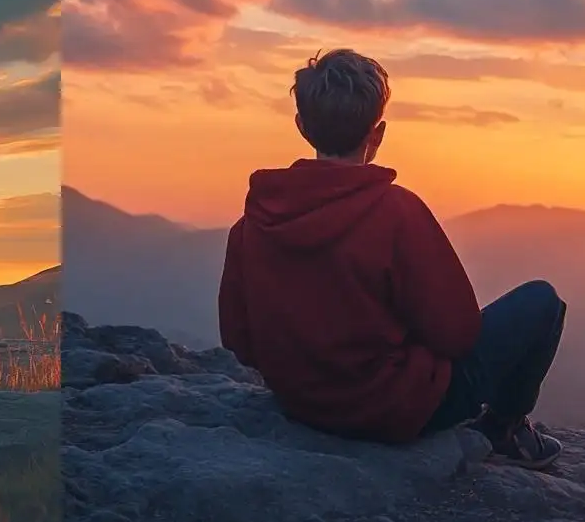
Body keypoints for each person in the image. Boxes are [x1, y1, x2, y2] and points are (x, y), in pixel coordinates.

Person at [218, 48, 565, 466]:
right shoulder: (395, 212)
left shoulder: (253, 225)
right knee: (542, 302)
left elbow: (239, 340)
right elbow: (457, 334)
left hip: (300, 406)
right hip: (397, 413)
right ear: (377, 133)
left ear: (302, 127)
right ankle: (505, 428)